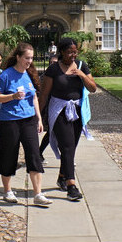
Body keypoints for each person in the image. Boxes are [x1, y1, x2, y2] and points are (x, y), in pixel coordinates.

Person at [37, 37, 97, 201]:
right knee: (67, 146)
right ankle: (72, 185)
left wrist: (81, 75)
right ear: (61, 52)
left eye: (75, 51)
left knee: (71, 146)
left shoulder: (81, 66)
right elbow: (44, 95)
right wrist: (38, 117)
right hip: (59, 110)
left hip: (77, 111)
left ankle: (62, 175)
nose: (73, 54)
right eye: (69, 51)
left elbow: (93, 88)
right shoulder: (53, 70)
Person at [0, 42, 51, 206]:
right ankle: (8, 190)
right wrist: (12, 96)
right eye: (26, 58)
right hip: (9, 121)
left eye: (31, 58)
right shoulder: (6, 75)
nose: (29, 61)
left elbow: (33, 98)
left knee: (34, 155)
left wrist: (39, 119)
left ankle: (38, 194)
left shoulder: (30, 74)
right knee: (8, 155)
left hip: (29, 120)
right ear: (18, 57)